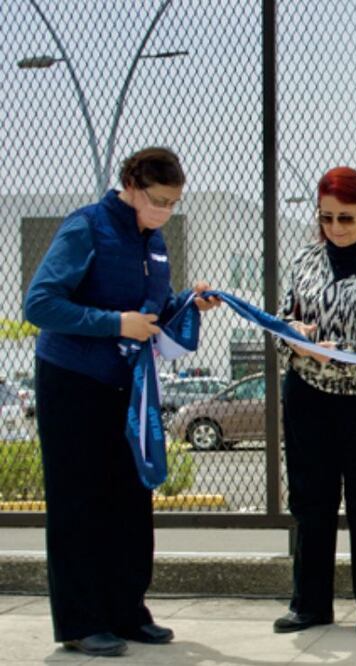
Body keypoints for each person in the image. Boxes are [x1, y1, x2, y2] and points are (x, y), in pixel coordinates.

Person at [24, 147, 220, 657]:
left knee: (130, 498)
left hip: (127, 383)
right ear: (131, 185)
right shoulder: (87, 226)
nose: (166, 212)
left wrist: (189, 303)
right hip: (73, 380)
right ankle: (81, 622)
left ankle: (127, 610)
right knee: (78, 500)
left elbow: (153, 311)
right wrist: (113, 323)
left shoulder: (153, 241)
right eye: (158, 201)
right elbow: (40, 303)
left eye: (174, 203)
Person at [273, 167, 356, 637]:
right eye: (326, 218)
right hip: (307, 396)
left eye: (346, 218)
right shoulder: (304, 259)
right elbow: (280, 324)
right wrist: (293, 336)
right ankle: (310, 604)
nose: (335, 228)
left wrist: (330, 350)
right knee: (311, 501)